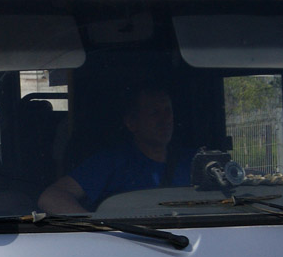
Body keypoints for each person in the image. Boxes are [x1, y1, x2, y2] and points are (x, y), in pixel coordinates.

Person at [38, 87, 191, 214]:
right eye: (155, 113)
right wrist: (97, 228)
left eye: (168, 111)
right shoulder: (111, 162)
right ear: (132, 123)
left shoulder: (197, 161)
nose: (165, 120)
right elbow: (51, 197)